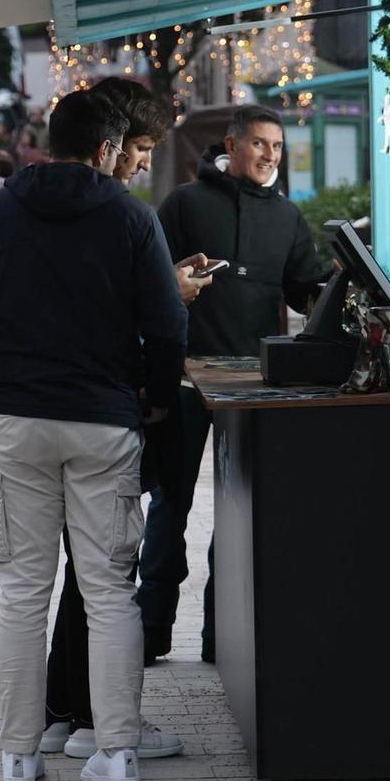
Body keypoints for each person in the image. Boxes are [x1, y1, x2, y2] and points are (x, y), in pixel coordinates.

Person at [0, 90, 188, 781]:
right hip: (106, 421)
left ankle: (20, 754)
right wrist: (156, 399)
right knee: (109, 590)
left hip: (18, 421)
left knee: (21, 591)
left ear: (48, 140)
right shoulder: (133, 217)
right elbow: (168, 325)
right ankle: (117, 751)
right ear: (108, 150)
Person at [39, 76, 198, 762]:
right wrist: (174, 293)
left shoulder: (25, 207)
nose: (140, 162)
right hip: (103, 407)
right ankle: (97, 722)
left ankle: (59, 708)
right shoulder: (121, 215)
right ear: (106, 143)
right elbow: (146, 321)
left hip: (42, 411)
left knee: (79, 572)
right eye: (138, 146)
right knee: (101, 575)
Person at [142, 105, 326, 664]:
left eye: (277, 147)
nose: (270, 155)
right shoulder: (183, 204)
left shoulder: (289, 218)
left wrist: (336, 294)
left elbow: (304, 292)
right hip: (183, 379)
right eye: (260, 144)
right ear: (232, 144)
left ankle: (219, 639)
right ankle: (151, 632)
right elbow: (151, 282)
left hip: (254, 386)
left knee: (236, 510)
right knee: (168, 506)